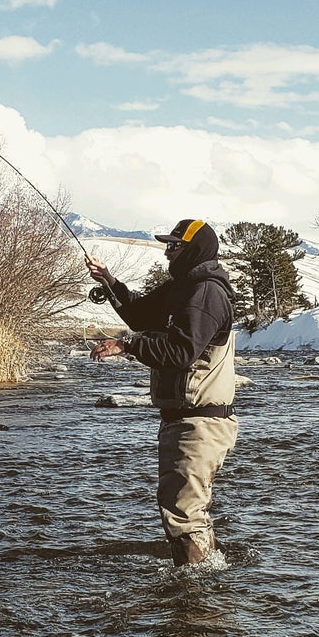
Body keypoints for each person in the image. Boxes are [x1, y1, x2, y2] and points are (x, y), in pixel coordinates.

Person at [88, 219, 238, 566]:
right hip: (187, 419)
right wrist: (109, 281)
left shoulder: (204, 293)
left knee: (183, 512)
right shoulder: (183, 288)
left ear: (194, 250)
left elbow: (181, 350)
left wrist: (127, 347)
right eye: (167, 245)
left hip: (200, 422)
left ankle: (195, 596)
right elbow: (140, 315)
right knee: (187, 509)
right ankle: (208, 578)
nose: (168, 252)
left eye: (175, 246)